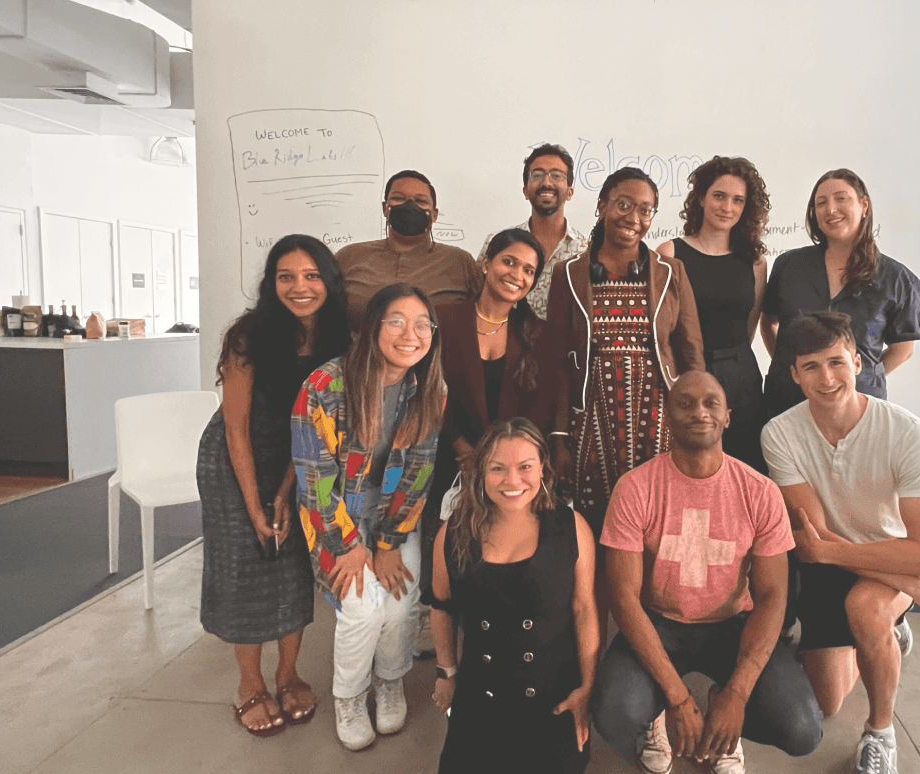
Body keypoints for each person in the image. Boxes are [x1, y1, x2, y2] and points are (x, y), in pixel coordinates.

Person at [760, 312, 920, 774]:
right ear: (794, 374)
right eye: (813, 367)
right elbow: (815, 538)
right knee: (827, 703)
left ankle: (880, 734)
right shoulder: (780, 433)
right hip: (843, 569)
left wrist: (914, 581)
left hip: (887, 561)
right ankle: (890, 635)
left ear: (858, 363)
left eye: (837, 362)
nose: (827, 378)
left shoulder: (906, 431)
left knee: (865, 610)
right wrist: (919, 590)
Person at [594, 371, 823, 774]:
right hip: (658, 623)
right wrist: (677, 698)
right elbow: (623, 597)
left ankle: (722, 714)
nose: (699, 412)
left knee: (802, 729)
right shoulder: (635, 488)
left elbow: (772, 596)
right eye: (684, 403)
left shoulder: (760, 491)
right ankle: (656, 719)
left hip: (733, 625)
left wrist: (737, 694)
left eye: (710, 403)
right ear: (665, 417)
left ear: (728, 416)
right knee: (615, 716)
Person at [199, 234, 352, 737]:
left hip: (299, 459)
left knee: (292, 566)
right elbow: (236, 431)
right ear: (271, 284)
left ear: (329, 282)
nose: (299, 287)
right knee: (250, 562)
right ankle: (250, 684)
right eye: (286, 276)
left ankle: (288, 675)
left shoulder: (337, 339)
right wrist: (256, 507)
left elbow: (312, 424)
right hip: (235, 462)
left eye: (311, 276)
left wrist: (286, 492)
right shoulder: (248, 336)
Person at [291, 283, 446, 751]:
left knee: (401, 601)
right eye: (396, 321)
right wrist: (349, 546)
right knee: (362, 607)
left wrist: (386, 544)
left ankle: (390, 680)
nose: (410, 334)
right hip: (333, 513)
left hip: (392, 515)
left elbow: (418, 472)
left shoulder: (429, 389)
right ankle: (350, 696)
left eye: (422, 324)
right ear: (371, 327)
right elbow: (314, 478)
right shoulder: (324, 386)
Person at [430, 419, 598, 774]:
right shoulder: (453, 531)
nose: (512, 481)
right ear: (480, 472)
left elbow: (584, 610)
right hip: (481, 693)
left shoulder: (573, 527)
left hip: (553, 696)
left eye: (525, 467)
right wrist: (446, 673)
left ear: (543, 469)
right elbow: (441, 607)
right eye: (497, 469)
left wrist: (586, 687)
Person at [545, 165, 704, 532]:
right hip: (592, 418)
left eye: (645, 210)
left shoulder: (671, 272)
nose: (634, 217)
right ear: (602, 205)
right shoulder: (568, 273)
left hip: (659, 419)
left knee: (659, 521)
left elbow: (692, 355)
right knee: (597, 522)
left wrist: (694, 423)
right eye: (623, 204)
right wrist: (559, 438)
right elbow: (557, 362)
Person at [420, 229, 555, 617]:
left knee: (495, 552)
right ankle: (439, 615)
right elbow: (427, 390)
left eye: (528, 270)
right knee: (445, 547)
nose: (517, 274)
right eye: (509, 261)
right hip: (447, 455)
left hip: (507, 462)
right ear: (486, 263)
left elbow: (539, 409)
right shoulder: (443, 320)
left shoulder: (537, 333)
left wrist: (497, 457)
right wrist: (460, 445)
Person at [760, 169, 920, 420]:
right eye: (821, 203)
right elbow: (769, 322)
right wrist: (796, 370)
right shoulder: (789, 265)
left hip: (858, 410)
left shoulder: (897, 278)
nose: (831, 209)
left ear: (864, 205)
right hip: (786, 406)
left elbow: (903, 348)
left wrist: (859, 376)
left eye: (841, 198)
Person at [656, 156, 772, 471]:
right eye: (719, 196)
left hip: (741, 378)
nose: (727, 207)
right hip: (684, 373)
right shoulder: (669, 253)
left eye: (738, 200)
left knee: (743, 467)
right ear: (702, 198)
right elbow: (660, 327)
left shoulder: (755, 263)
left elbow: (749, 328)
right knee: (683, 466)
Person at [335, 169, 482, 325]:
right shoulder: (349, 257)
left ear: (434, 214)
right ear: (385, 208)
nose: (410, 206)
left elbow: (487, 315)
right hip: (359, 350)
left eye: (421, 201)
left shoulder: (460, 262)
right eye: (398, 198)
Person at [489, 144, 588, 320]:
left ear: (570, 192)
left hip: (562, 347)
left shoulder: (586, 251)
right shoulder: (498, 245)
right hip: (504, 345)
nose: (547, 183)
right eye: (537, 175)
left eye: (556, 175)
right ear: (526, 190)